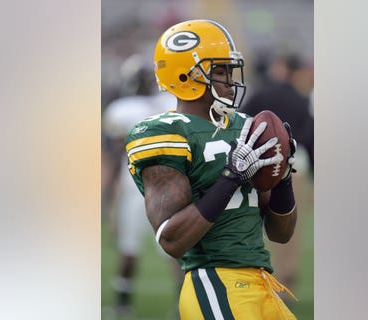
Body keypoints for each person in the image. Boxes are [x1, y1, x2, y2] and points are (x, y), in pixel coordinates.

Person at [124, 19, 300, 319]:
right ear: (185, 75)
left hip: (261, 281)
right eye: (219, 71)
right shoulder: (166, 133)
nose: (230, 80)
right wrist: (230, 177)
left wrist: (282, 179)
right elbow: (171, 239)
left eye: (230, 71)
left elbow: (280, 233)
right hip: (215, 282)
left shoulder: (246, 127)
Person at [102, 53, 182, 318]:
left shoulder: (122, 109)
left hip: (135, 184)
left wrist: (109, 199)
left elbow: (115, 158)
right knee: (173, 249)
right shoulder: (170, 102)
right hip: (170, 183)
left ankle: (122, 305)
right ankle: (182, 306)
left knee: (129, 248)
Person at [240, 53, 315, 300]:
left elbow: (243, 127)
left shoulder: (262, 95)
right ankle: (286, 285)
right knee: (289, 230)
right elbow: (312, 140)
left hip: (260, 165)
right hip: (297, 165)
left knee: (258, 227)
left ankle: (260, 285)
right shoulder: (303, 100)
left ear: (282, 67)